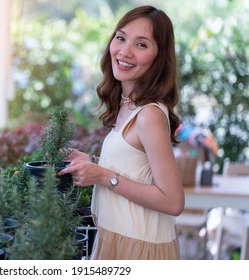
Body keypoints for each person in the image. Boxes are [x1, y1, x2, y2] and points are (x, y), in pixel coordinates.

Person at [58, 5, 185, 259]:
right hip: (115, 239)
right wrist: (92, 163)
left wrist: (104, 176)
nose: (124, 51)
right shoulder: (129, 106)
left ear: (159, 57)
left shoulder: (149, 114)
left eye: (141, 44)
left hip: (138, 249)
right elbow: (138, 170)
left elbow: (173, 201)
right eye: (121, 37)